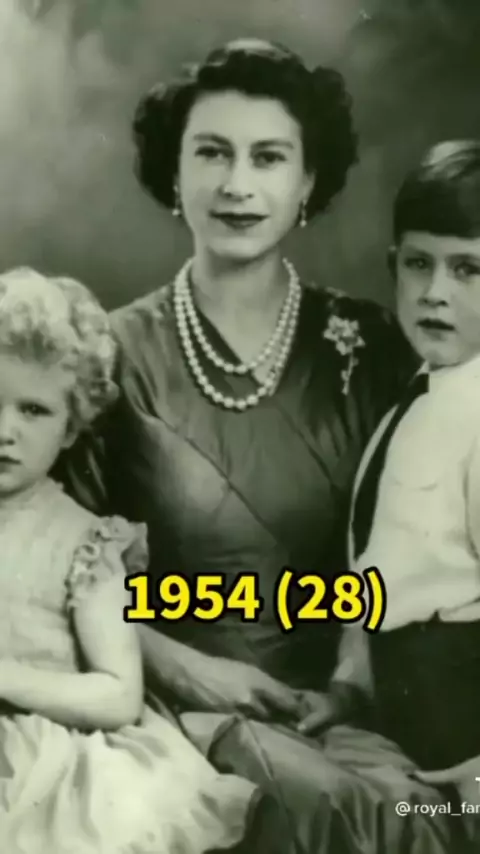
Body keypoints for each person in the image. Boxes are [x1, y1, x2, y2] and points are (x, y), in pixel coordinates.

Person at [57, 39, 444, 853]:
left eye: (268, 158)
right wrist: (181, 667)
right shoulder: (107, 355)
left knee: (435, 816)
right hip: (172, 712)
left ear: (307, 182)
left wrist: (351, 680)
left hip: (342, 709)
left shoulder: (370, 346)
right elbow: (51, 570)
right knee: (344, 812)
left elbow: (413, 547)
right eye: (212, 153)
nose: (237, 184)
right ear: (174, 174)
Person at [0, 267, 266, 854]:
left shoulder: (83, 543)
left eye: (34, 411)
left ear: (71, 428)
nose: (5, 431)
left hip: (43, 760)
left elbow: (119, 693)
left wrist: (8, 678)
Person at [304, 140, 480, 850]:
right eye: (418, 264)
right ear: (392, 267)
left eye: (468, 269)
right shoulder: (413, 403)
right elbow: (381, 570)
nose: (435, 292)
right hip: (408, 736)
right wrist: (348, 690)